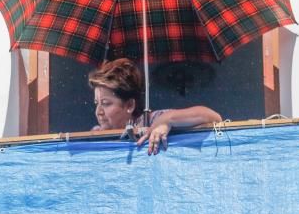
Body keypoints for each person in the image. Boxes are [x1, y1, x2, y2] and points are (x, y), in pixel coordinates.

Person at [88, 58, 222, 155]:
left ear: (129, 105)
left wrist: (166, 120)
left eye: (106, 103)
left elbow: (213, 117)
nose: (98, 112)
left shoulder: (153, 120)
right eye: (96, 103)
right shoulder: (95, 134)